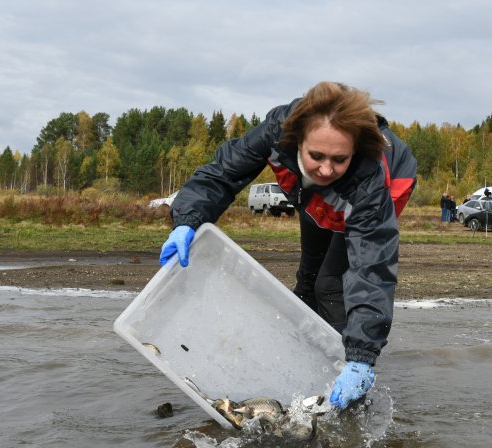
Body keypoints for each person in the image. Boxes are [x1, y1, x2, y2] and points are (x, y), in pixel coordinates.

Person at [158, 81, 418, 410]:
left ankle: (346, 385)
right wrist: (187, 221)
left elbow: (371, 267)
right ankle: (298, 364)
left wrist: (363, 356)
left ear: (353, 151)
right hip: (313, 199)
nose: (326, 168)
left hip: (389, 186)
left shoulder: (367, 177)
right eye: (316, 156)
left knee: (330, 285)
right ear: (296, 138)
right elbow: (222, 173)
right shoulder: (275, 132)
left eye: (339, 158)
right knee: (307, 281)